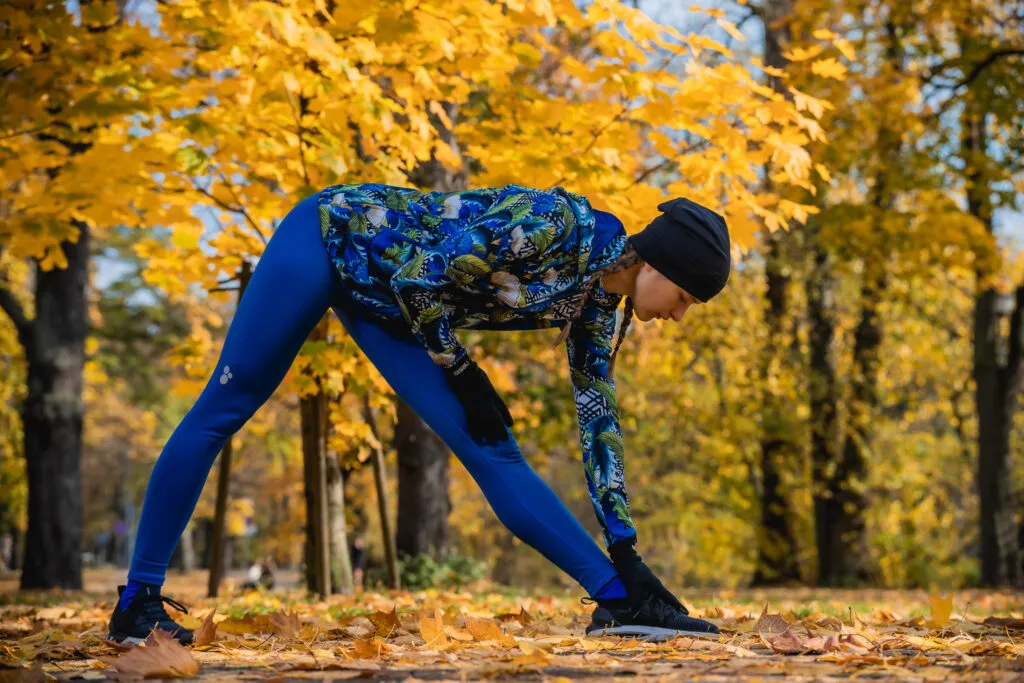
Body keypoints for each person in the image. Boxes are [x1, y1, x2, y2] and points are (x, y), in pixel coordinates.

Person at [107, 183, 731, 645]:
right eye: (683, 297)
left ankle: (620, 598)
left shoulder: (599, 306)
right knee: (226, 408)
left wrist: (627, 548)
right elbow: (418, 274)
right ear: (655, 263)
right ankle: (138, 601)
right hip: (329, 240)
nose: (678, 315)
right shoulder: (556, 227)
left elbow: (598, 422)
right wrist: (462, 370)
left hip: (394, 308)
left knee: (494, 447)